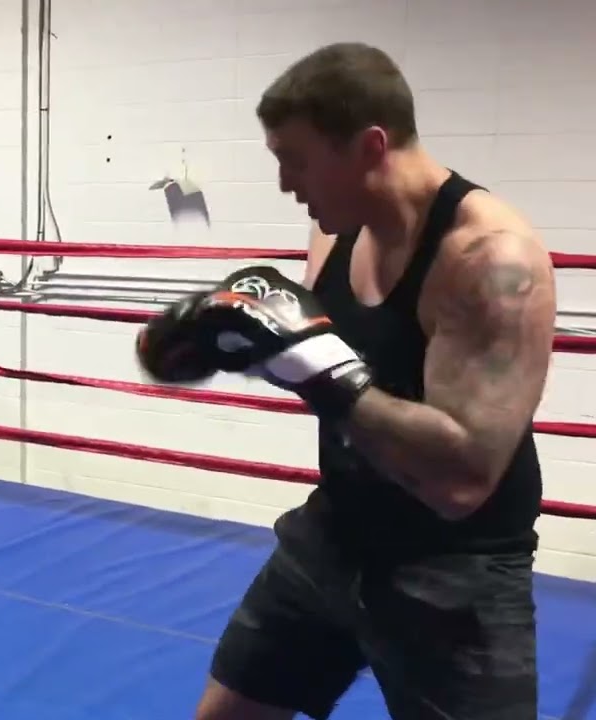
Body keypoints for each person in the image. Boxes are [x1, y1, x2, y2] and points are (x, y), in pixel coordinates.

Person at [136, 42, 554, 719]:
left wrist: (317, 369)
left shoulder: (489, 259)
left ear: (369, 147)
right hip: (334, 533)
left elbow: (463, 481)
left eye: (294, 161)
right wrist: (225, 343)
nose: (285, 184)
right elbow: (315, 355)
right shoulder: (335, 230)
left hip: (454, 571)